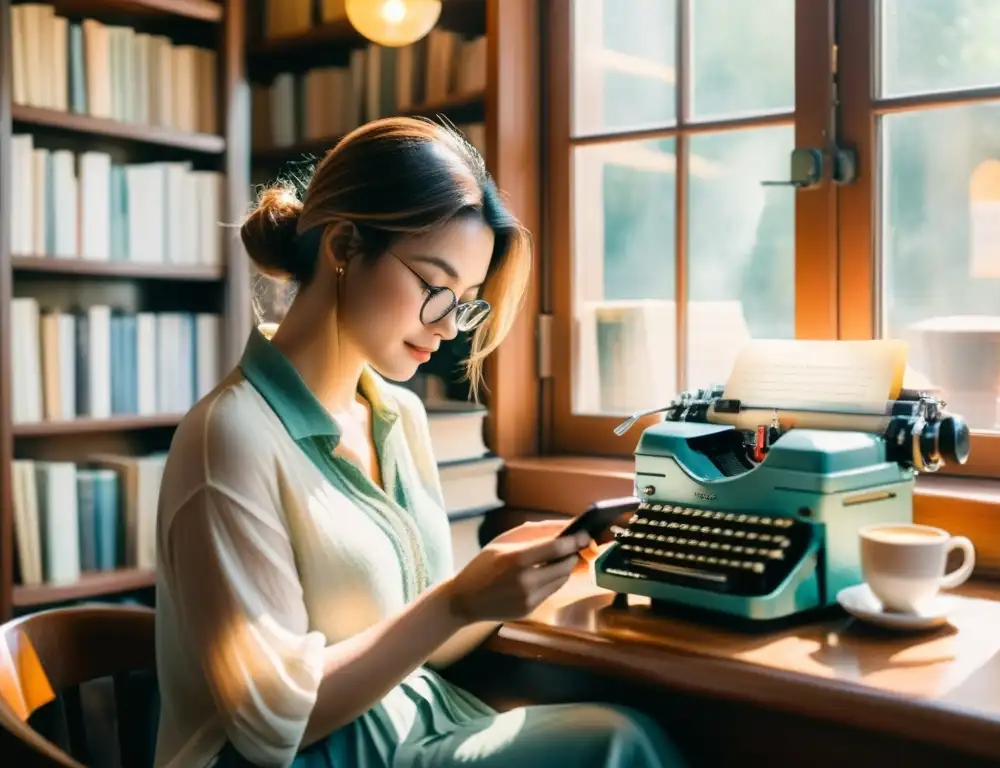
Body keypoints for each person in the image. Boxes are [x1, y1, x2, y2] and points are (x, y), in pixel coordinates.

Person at [153, 117, 685, 768]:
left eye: (463, 301)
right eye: (435, 287)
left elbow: (424, 641)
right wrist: (456, 600)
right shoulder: (229, 435)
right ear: (344, 245)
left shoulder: (398, 415)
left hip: (414, 730)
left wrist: (496, 584)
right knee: (619, 744)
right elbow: (268, 726)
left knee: (635, 726)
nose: (449, 327)